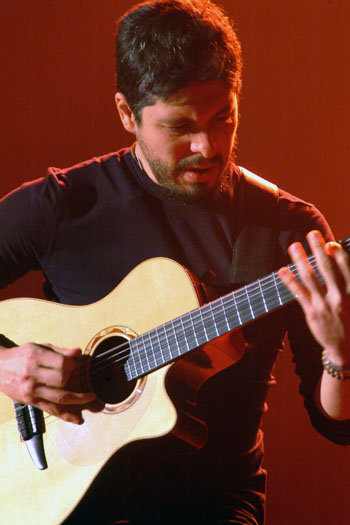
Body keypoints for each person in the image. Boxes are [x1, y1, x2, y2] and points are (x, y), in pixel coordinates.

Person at [1, 0, 350, 523]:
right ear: (127, 114)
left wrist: (340, 352)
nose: (206, 146)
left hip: (212, 504)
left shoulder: (289, 231)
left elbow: (336, 426)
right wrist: (7, 367)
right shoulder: (64, 203)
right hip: (64, 497)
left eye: (222, 117)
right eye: (179, 126)